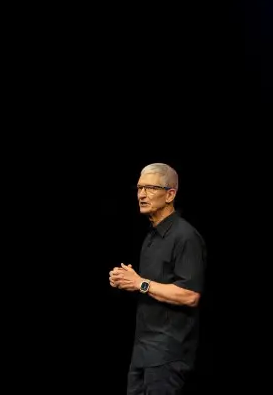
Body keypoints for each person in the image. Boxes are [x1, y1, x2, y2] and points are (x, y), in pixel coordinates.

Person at [109, 163, 207, 395]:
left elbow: (190, 295)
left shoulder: (185, 237)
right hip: (142, 351)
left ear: (170, 194)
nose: (141, 194)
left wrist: (139, 283)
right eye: (139, 188)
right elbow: (150, 286)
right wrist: (126, 280)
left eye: (150, 188)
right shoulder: (152, 235)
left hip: (167, 356)